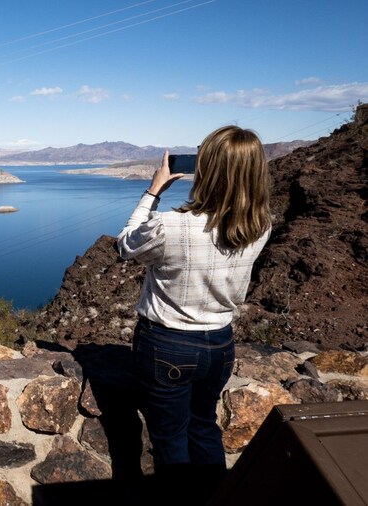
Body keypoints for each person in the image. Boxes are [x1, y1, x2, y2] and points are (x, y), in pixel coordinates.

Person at [116, 125, 272, 504]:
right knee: (204, 428)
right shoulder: (260, 225)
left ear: (209, 169)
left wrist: (153, 191)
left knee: (169, 440)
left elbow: (125, 246)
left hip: (167, 344)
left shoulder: (172, 225)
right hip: (220, 344)